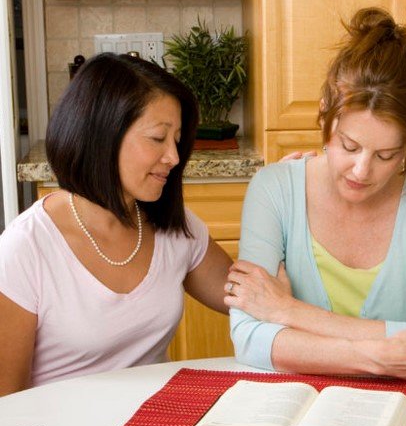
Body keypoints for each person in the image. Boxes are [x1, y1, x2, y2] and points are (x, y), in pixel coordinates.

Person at [225, 7, 406, 382]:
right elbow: (249, 338)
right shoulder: (273, 190)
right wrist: (379, 356)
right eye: (349, 146)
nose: (361, 171)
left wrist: (288, 312)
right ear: (325, 114)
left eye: (387, 155)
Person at [0, 53, 232, 395]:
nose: (174, 156)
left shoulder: (173, 227)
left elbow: (255, 300)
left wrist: (286, 195)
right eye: (157, 138)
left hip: (156, 417)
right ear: (102, 135)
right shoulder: (24, 248)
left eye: (177, 139)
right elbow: (7, 404)